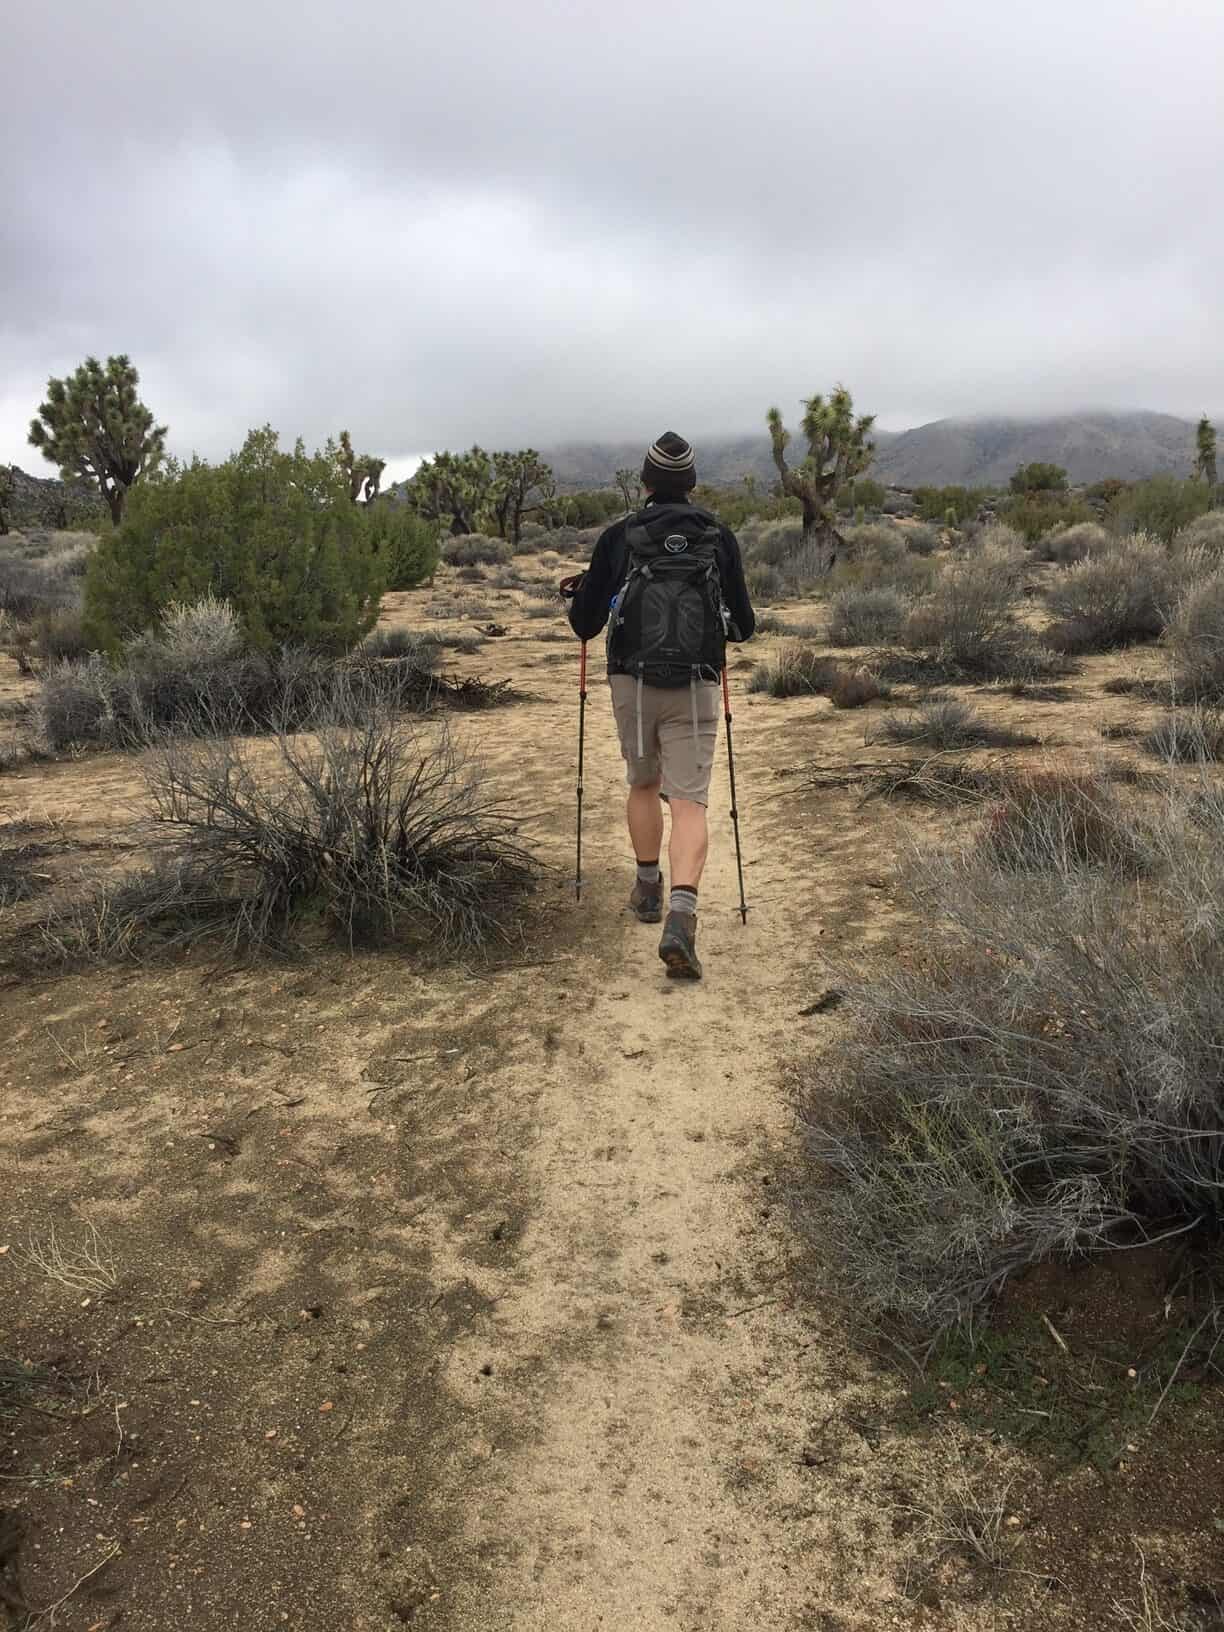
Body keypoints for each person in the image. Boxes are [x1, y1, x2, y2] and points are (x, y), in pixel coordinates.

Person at [561, 432, 755, 980]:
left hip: (633, 682)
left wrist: (577, 595)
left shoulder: (620, 536)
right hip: (696, 685)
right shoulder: (718, 537)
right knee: (689, 802)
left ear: (645, 481)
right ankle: (682, 917)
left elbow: (586, 624)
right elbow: (743, 627)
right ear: (691, 484)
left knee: (642, 783)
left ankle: (648, 888)